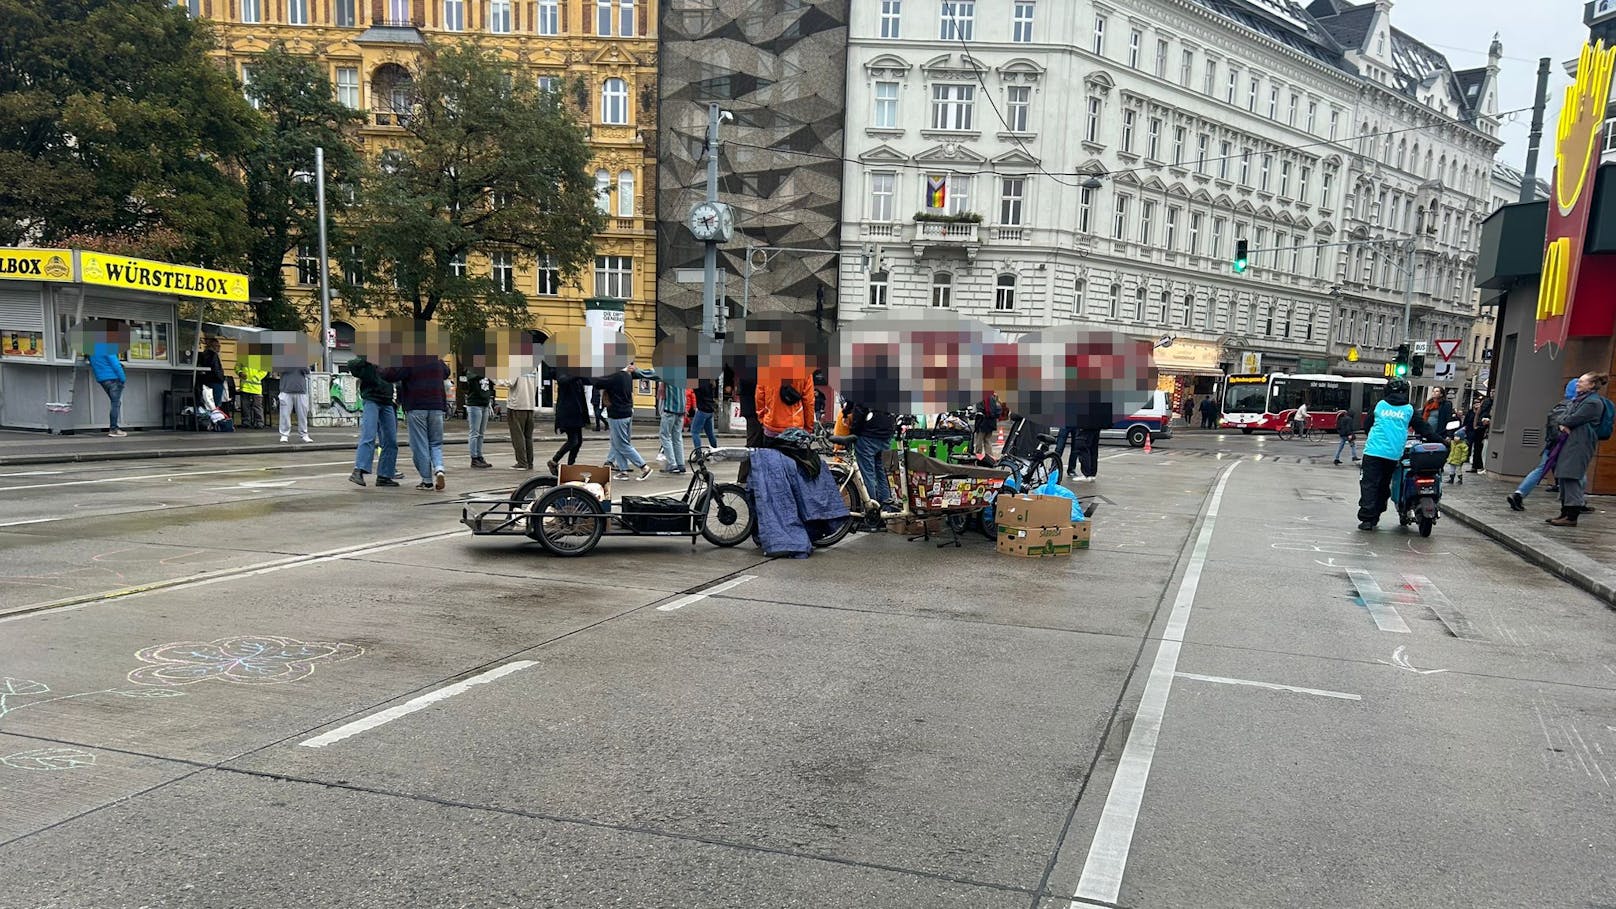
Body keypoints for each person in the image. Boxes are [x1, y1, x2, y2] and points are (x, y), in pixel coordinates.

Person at [1356, 377, 1439, 531]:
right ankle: (1378, 512)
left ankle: (1367, 519)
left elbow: (1367, 425)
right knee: (1383, 484)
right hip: (1393, 454)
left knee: (1369, 485)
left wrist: (1375, 438)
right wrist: (1442, 441)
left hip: (1373, 451)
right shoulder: (1409, 409)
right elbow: (1424, 428)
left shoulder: (1379, 406)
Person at [1544, 373, 1609, 527]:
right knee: (1564, 476)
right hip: (1570, 442)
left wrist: (1565, 422)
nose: (1578, 384)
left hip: (1580, 443)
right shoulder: (1580, 400)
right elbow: (1563, 417)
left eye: (1581, 381)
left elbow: (1570, 419)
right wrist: (1564, 421)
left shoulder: (1592, 403)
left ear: (1592, 385)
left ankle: (1572, 515)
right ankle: (1565, 512)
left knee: (1571, 476)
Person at [1507, 379, 1580, 512]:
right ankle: (1577, 502)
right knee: (1577, 473)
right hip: (1563, 445)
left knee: (1540, 470)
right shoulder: (1573, 406)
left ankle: (1519, 493)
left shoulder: (1559, 405)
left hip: (1552, 445)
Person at [383, 355, 450, 491]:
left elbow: (391, 375)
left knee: (420, 445)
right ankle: (439, 468)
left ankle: (427, 481)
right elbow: (446, 372)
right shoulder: (436, 359)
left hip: (417, 405)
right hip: (437, 406)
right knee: (435, 443)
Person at [346, 355, 400, 488]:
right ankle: (358, 470)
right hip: (372, 399)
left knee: (391, 440)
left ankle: (384, 475)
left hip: (387, 401)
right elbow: (352, 365)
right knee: (369, 435)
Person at [597, 363, 657, 480]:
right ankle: (623, 471)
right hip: (627, 412)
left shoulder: (615, 376)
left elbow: (598, 383)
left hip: (617, 415)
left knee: (622, 444)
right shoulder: (627, 375)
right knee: (617, 442)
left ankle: (644, 467)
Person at [845, 400, 898, 518]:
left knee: (867, 474)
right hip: (886, 433)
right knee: (882, 473)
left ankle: (871, 512)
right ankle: (886, 510)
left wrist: (853, 430)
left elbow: (859, 409)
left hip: (868, 434)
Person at [88, 322, 128, 438]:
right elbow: (115, 365)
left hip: (102, 379)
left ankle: (114, 428)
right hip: (113, 378)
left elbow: (97, 363)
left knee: (114, 403)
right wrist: (123, 378)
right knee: (116, 403)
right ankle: (114, 429)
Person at [547, 372, 590, 476]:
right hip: (567, 413)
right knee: (573, 441)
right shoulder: (563, 371)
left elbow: (589, 381)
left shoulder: (578, 378)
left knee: (578, 441)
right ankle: (554, 461)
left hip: (576, 414)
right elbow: (562, 380)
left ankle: (570, 465)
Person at [505, 368, 538, 470]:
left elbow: (509, 382)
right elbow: (535, 385)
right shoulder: (533, 368)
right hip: (530, 405)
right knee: (528, 437)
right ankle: (529, 462)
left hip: (516, 405)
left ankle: (522, 463)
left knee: (517, 436)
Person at [463, 366, 494, 469]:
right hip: (475, 404)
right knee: (474, 433)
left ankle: (480, 456)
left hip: (484, 403)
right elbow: (470, 377)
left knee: (481, 433)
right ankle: (474, 458)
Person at [657, 373, 688, 475]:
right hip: (681, 410)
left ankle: (672, 464)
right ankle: (681, 464)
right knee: (677, 437)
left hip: (670, 409)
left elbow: (653, 374)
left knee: (665, 436)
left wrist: (636, 371)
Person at [277, 362, 312, 443]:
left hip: (301, 390)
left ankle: (304, 434)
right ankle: (284, 435)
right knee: (284, 414)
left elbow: (307, 371)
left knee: (303, 414)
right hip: (286, 390)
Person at [236, 349, 269, 429]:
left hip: (255, 387)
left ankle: (259, 422)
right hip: (246, 387)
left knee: (257, 406)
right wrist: (240, 373)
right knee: (245, 406)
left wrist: (256, 377)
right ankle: (246, 422)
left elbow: (264, 371)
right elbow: (237, 367)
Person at [196, 337, 227, 415]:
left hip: (205, 381)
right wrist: (222, 378)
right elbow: (216, 369)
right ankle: (215, 420)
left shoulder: (203, 354)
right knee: (215, 403)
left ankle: (207, 419)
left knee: (207, 402)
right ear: (213, 346)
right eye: (218, 346)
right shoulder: (213, 355)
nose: (219, 348)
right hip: (215, 381)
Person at [690, 377, 719, 454]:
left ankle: (698, 453)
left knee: (694, 432)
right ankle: (715, 451)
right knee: (710, 433)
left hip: (702, 410)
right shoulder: (711, 382)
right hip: (710, 410)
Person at [1465, 394, 1492, 473]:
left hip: (1485, 427)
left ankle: (1480, 466)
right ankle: (1475, 466)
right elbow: (1478, 413)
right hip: (1479, 427)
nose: (1492, 393)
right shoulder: (1486, 401)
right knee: (1477, 447)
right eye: (1491, 392)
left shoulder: (1492, 403)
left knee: (1482, 448)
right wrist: (1475, 425)